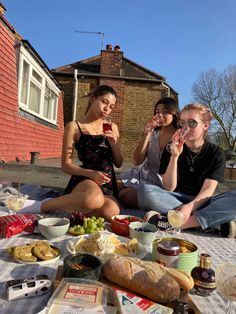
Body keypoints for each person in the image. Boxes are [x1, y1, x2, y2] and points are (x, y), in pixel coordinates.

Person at [139, 103, 236, 234]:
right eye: (182, 123)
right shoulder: (171, 147)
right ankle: (208, 222)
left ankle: (176, 224)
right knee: (145, 191)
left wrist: (189, 207)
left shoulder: (216, 152)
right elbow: (169, 187)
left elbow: (208, 190)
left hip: (202, 201)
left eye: (192, 123)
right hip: (175, 199)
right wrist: (174, 156)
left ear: (205, 126)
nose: (186, 128)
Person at [40, 85, 123, 219]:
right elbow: (66, 165)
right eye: (104, 102)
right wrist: (91, 174)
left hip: (106, 181)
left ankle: (74, 209)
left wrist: (114, 144)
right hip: (85, 178)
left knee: (112, 211)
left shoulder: (113, 127)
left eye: (111, 106)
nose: (107, 109)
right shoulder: (74, 126)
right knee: (94, 199)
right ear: (93, 99)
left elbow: (119, 163)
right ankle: (46, 205)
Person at [118, 97, 179, 208]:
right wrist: (146, 135)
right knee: (110, 184)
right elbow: (137, 161)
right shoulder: (154, 134)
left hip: (160, 183)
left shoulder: (179, 137)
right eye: (157, 112)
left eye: (165, 112)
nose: (160, 115)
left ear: (174, 114)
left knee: (124, 196)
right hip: (141, 174)